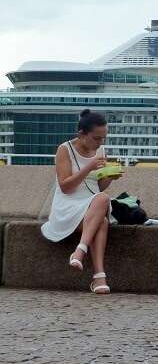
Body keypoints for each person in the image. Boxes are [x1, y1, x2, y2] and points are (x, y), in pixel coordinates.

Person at [41, 109, 120, 294]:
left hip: (90, 207)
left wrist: (111, 177)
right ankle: (90, 264)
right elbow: (66, 187)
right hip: (67, 206)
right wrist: (89, 167)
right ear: (82, 134)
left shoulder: (100, 150)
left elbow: (98, 188)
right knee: (102, 214)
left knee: (102, 212)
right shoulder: (65, 149)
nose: (101, 143)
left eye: (103, 138)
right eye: (96, 138)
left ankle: (92, 268)